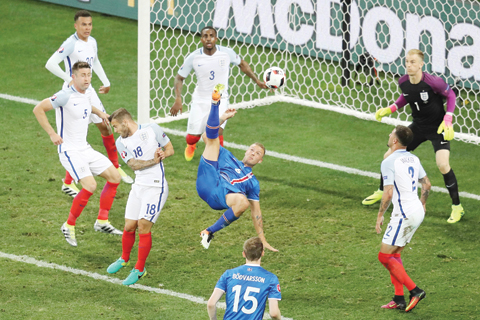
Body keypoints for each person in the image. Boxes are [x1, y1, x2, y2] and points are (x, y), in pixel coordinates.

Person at [364, 49, 464, 224]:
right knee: (389, 156)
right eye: (407, 62)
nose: (408, 65)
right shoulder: (403, 81)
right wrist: (390, 108)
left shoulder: (434, 83)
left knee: (442, 164)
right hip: (417, 127)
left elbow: (451, 95)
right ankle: (381, 190)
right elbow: (406, 97)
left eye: (412, 62)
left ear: (420, 65)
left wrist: (448, 117)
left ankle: (457, 207)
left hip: (437, 128)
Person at [33, 61, 123, 247]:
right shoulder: (65, 95)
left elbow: (88, 106)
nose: (87, 78)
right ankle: (68, 225)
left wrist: (102, 114)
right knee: (90, 185)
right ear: (73, 77)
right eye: (83, 75)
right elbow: (38, 109)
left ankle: (102, 221)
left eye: (89, 75)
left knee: (114, 177)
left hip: (85, 148)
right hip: (69, 151)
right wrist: (52, 133)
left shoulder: (86, 93)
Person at [45, 9, 133, 198]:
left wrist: (106, 81)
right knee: (77, 138)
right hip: (73, 94)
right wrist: (67, 78)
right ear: (76, 26)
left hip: (88, 90)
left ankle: (115, 167)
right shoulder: (70, 44)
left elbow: (96, 62)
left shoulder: (92, 42)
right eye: (83, 24)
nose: (87, 28)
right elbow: (50, 63)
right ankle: (68, 182)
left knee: (106, 126)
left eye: (90, 24)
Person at [196, 84, 277, 252]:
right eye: (252, 149)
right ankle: (215, 103)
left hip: (220, 197)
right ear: (246, 150)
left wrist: (263, 240)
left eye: (258, 153)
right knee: (213, 141)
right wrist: (222, 119)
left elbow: (256, 212)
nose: (253, 153)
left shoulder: (252, 183)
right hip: (208, 180)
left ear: (260, 160)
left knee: (243, 202)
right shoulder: (227, 155)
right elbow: (206, 136)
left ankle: (209, 231)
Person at [170, 26, 268, 161]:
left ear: (216, 38)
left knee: (217, 131)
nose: (208, 39)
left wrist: (256, 80)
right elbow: (179, 78)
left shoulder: (227, 53)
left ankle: (217, 159)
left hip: (220, 99)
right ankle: (191, 145)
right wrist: (178, 99)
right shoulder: (194, 57)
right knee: (193, 136)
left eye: (211, 35)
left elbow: (242, 64)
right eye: (205, 36)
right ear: (201, 39)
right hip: (200, 99)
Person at [106, 108, 174, 286]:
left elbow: (170, 148)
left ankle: (139, 268)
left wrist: (163, 154)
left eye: (116, 126)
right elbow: (134, 165)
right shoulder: (121, 142)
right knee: (129, 226)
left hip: (156, 186)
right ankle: (124, 258)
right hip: (139, 186)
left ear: (125, 122)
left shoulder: (152, 129)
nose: (116, 130)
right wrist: (154, 160)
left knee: (143, 226)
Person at [375, 125, 431, 312]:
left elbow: (388, 193)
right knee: (394, 254)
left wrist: (380, 214)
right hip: (416, 210)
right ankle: (398, 299)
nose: (389, 134)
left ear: (395, 140)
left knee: (384, 256)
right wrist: (422, 203)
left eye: (391, 133)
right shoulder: (414, 158)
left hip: (404, 214)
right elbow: (427, 184)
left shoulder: (389, 161)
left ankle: (415, 291)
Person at [207, 237, 282, 320]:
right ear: (262, 253)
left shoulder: (229, 274)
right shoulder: (271, 278)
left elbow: (211, 304)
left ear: (244, 254)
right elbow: (274, 313)